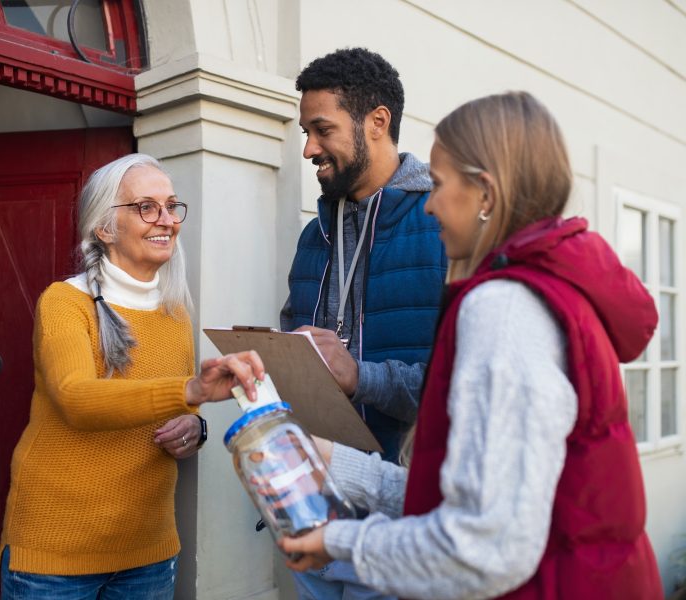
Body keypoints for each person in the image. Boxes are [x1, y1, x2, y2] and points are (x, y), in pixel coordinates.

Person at [280, 91, 664, 599]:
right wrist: (333, 459)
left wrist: (340, 540)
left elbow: (483, 546)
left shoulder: (503, 308)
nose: (430, 204)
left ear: (485, 193)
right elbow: (464, 500)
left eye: (438, 185)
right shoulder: (547, 287)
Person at [0, 153, 264, 600]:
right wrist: (191, 390)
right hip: (57, 550)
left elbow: (173, 409)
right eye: (146, 207)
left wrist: (194, 428)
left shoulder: (174, 311)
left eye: (171, 205)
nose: (166, 220)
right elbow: (77, 399)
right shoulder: (65, 302)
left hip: (148, 550)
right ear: (104, 228)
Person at [280, 47, 447, 599]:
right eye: (306, 131)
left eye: (321, 129)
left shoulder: (444, 230)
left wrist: (359, 377)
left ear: (377, 122)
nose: (308, 149)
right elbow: (295, 352)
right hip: (312, 507)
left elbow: (460, 394)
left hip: (403, 521)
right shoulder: (314, 236)